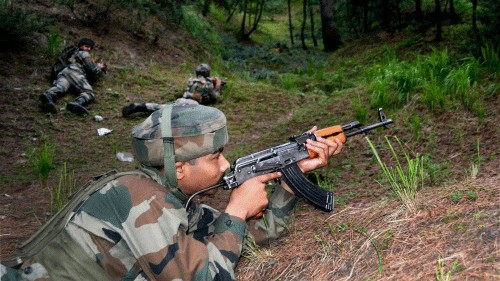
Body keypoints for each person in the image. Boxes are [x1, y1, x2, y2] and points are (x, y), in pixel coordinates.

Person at [1, 101, 342, 280]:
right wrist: (236, 209)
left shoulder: (171, 198)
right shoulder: (138, 198)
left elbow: (245, 239)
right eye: (216, 156)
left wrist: (289, 181)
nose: (225, 166)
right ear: (180, 168)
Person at [122, 63, 224, 117]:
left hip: (182, 100)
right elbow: (215, 97)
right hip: (191, 105)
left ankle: (141, 106)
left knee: (162, 107)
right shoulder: (208, 83)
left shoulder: (192, 80)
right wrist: (218, 85)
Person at [39, 38, 106, 116]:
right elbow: (93, 70)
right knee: (88, 93)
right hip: (75, 72)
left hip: (64, 72)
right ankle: (76, 103)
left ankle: (48, 96)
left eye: (90, 47)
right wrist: (99, 67)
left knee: (60, 87)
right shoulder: (84, 53)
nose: (89, 49)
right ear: (81, 45)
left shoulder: (72, 53)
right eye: (87, 46)